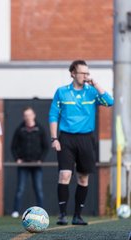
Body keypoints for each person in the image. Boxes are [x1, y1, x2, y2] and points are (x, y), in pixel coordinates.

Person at [49, 60, 113, 226]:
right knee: (65, 175)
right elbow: (53, 116)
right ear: (72, 73)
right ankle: (62, 215)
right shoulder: (61, 92)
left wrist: (96, 84)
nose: (86, 76)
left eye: (87, 72)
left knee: (83, 178)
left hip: (86, 138)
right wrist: (54, 138)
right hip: (66, 138)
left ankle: (77, 216)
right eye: (82, 73)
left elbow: (109, 101)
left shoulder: (92, 92)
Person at [10, 106, 49, 218]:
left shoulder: (40, 129)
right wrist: (17, 158)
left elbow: (46, 147)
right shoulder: (20, 129)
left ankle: (41, 212)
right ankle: (15, 211)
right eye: (26, 115)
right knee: (20, 189)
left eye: (29, 115)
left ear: (34, 115)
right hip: (23, 164)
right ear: (24, 116)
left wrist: (41, 159)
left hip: (36, 164)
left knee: (38, 189)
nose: (28, 117)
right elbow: (13, 146)